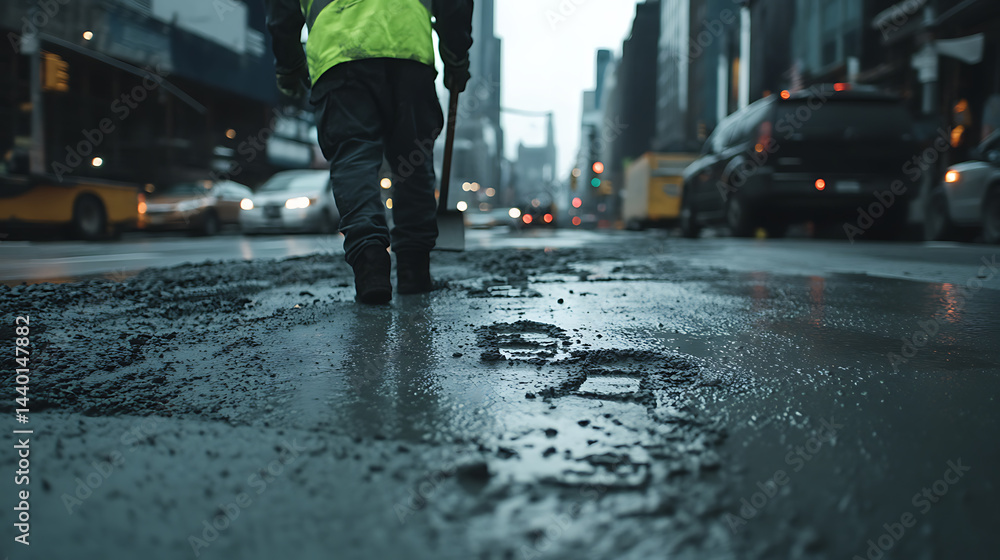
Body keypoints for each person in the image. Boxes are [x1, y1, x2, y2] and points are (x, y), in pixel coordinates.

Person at [265, 0, 474, 304]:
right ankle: (414, 273)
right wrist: (456, 57)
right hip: (408, 49)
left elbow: (282, 8)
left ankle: (371, 264)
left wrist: (289, 64)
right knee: (412, 162)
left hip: (339, 52)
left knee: (354, 158)